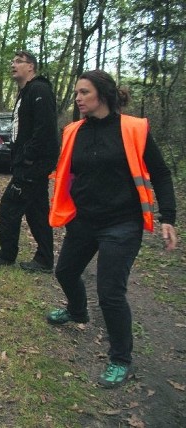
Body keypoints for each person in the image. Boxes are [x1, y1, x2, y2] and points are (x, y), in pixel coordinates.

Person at [46, 70, 177, 388]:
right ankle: (77, 311)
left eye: (83, 92)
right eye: (77, 92)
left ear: (102, 95)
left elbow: (159, 172)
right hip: (84, 220)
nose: (77, 98)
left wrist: (168, 217)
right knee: (64, 271)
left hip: (122, 223)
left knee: (110, 293)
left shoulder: (133, 129)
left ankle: (121, 358)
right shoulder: (73, 131)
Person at [0, 50, 59, 272]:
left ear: (31, 67)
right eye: (12, 61)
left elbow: (44, 131)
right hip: (28, 164)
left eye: (18, 61)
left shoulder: (39, 90)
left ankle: (7, 255)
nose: (13, 65)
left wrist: (27, 159)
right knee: (37, 212)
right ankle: (44, 259)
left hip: (32, 166)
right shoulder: (26, 92)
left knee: (8, 207)